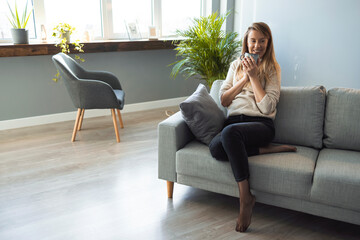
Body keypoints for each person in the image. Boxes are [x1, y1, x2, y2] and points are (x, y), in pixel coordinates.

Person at [208, 22, 296, 232]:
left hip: (260, 125)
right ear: (246, 43)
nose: (257, 46)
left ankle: (245, 197)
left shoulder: (273, 69)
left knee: (229, 134)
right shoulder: (235, 65)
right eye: (253, 41)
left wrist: (255, 78)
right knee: (215, 147)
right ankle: (267, 150)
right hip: (235, 125)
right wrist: (244, 78)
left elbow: (267, 108)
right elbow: (224, 100)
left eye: (262, 41)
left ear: (268, 43)